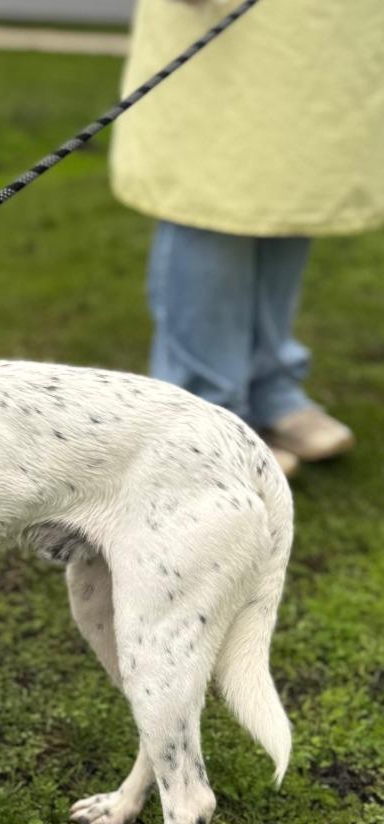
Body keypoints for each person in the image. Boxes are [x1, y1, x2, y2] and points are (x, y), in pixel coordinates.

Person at [110, 0, 384, 476]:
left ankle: (271, 386)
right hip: (219, 19)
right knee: (212, 194)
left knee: (289, 191)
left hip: (328, 27)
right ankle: (202, 408)